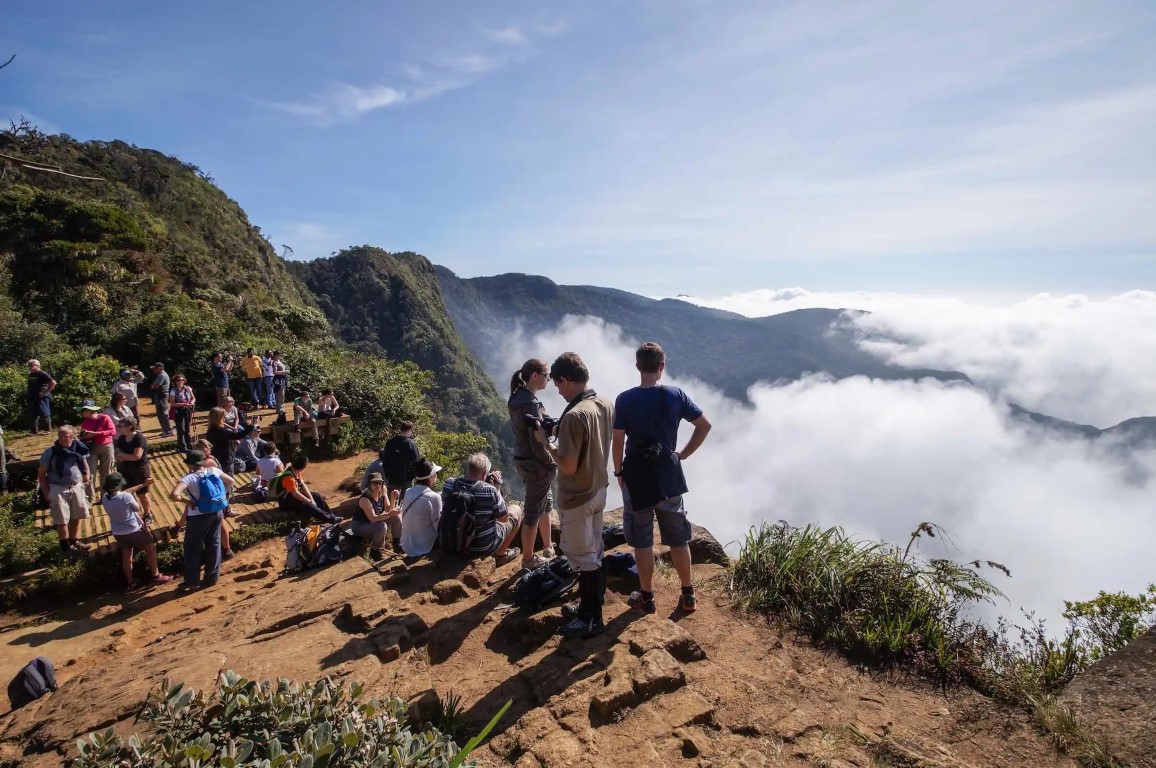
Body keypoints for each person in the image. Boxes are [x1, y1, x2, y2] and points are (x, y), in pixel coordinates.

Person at [613, 342, 712, 615]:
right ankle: (688, 595)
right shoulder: (676, 395)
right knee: (678, 538)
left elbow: (618, 440)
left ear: (637, 367)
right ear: (661, 367)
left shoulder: (625, 399)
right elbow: (704, 426)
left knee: (642, 539)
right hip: (668, 473)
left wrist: (618, 471)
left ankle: (647, 597)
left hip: (636, 475)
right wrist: (683, 454)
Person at [536, 352, 614, 638]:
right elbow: (593, 438)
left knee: (583, 558)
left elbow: (567, 464)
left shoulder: (575, 415)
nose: (557, 390)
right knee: (596, 551)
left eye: (558, 385)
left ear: (567, 380)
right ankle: (589, 607)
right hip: (599, 489)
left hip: (578, 496)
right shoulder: (603, 403)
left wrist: (546, 443)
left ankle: (591, 619)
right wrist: (560, 428)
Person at [508, 358, 559, 571]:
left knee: (545, 502)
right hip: (536, 462)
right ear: (535, 376)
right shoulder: (531, 403)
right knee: (532, 510)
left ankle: (548, 547)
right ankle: (528, 560)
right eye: (547, 376)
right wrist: (551, 462)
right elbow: (537, 443)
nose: (549, 380)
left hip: (522, 458)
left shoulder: (516, 398)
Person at [441, 453, 523, 565]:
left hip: (451, 541)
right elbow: (503, 518)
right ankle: (501, 554)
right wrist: (497, 489)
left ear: (468, 468)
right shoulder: (489, 490)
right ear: (485, 474)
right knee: (516, 509)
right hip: (481, 546)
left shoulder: (450, 484)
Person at [170, 450, 235, 589]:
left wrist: (186, 502)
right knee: (214, 543)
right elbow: (231, 481)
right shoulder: (214, 470)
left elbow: (174, 495)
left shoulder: (189, 478)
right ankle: (212, 578)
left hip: (197, 516)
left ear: (190, 464)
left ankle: (192, 581)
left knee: (192, 548)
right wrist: (222, 496)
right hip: (216, 511)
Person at [101, 473, 172, 589]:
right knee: (151, 549)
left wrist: (142, 485)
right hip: (134, 529)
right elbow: (136, 507)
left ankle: (130, 582)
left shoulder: (105, 497)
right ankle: (156, 576)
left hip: (118, 532)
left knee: (127, 557)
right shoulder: (126, 497)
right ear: (119, 486)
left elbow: (125, 493)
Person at [37, 425, 91, 554]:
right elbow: (41, 473)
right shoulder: (50, 452)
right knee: (62, 519)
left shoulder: (78, 449)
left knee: (77, 515)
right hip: (57, 488)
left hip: (76, 486)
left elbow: (84, 464)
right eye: (60, 436)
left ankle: (74, 541)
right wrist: (46, 492)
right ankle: (65, 547)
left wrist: (86, 478)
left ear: (73, 437)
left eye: (65, 436)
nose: (61, 439)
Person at [274, 454, 339, 524]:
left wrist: (311, 499)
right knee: (307, 504)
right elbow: (295, 493)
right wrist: (309, 501)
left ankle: (330, 515)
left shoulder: (296, 472)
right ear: (302, 468)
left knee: (316, 496)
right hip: (286, 502)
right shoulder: (288, 477)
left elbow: (302, 485)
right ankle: (331, 519)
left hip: (293, 498)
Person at [399, 458, 443, 559]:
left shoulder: (408, 492)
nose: (436, 475)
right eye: (435, 473)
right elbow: (438, 527)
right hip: (424, 547)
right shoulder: (434, 497)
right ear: (430, 477)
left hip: (407, 545)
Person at [351, 472, 402, 559]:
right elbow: (373, 519)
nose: (377, 485)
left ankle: (397, 544)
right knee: (381, 526)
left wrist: (393, 499)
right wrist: (389, 514)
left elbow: (389, 510)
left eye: (379, 483)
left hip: (374, 522)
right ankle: (376, 551)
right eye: (374, 483)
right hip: (360, 525)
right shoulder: (365, 499)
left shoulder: (382, 494)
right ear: (369, 485)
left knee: (396, 517)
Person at [114, 417, 154, 525]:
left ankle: (147, 514)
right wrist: (127, 456)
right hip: (125, 469)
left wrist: (123, 456)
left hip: (140, 470)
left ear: (129, 427)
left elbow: (137, 456)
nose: (117, 428)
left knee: (142, 494)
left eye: (120, 426)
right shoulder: (121, 438)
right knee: (127, 494)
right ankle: (133, 514)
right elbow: (116, 454)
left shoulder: (139, 438)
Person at [78, 401, 116, 502]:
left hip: (106, 447)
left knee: (106, 472)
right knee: (90, 473)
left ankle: (105, 497)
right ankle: (90, 498)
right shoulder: (84, 422)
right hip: (92, 448)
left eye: (82, 410)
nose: (80, 413)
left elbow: (112, 431)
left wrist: (95, 433)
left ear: (89, 410)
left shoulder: (105, 418)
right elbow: (85, 438)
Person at [205, 406, 256, 475]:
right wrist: (252, 425)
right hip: (226, 460)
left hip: (216, 459)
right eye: (223, 418)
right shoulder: (223, 431)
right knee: (229, 481)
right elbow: (239, 435)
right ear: (219, 419)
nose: (225, 419)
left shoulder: (209, 431)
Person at [380, 422, 420, 499]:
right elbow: (416, 461)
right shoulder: (411, 443)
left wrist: (387, 474)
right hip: (406, 478)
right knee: (406, 500)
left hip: (392, 476)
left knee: (392, 499)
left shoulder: (390, 442)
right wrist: (413, 476)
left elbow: (385, 460)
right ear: (410, 430)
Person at [168, 373, 196, 454]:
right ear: (175, 381)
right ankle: (182, 447)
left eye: (182, 380)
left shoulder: (188, 388)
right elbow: (172, 403)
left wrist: (191, 403)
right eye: (178, 380)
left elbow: (193, 398)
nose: (180, 382)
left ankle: (189, 445)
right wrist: (183, 404)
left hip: (187, 410)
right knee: (181, 430)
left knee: (187, 429)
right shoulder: (173, 390)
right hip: (178, 411)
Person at [27, 359, 55, 435]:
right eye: (29, 366)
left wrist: (46, 392)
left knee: (44, 413)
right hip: (32, 397)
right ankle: (33, 431)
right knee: (32, 414)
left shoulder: (42, 373)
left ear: (37, 365)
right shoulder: (31, 374)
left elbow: (53, 383)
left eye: (31, 365)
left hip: (42, 397)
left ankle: (47, 430)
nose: (30, 367)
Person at [149, 362, 173, 437]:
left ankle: (169, 431)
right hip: (161, 395)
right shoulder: (160, 375)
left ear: (160, 368)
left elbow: (154, 386)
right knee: (160, 413)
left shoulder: (162, 375)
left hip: (162, 396)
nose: (153, 370)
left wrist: (153, 386)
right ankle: (166, 430)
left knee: (163, 413)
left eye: (155, 368)